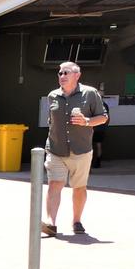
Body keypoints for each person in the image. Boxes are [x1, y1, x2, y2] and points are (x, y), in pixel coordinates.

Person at [41, 61, 107, 236]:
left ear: (77, 75)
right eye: (60, 73)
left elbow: (103, 117)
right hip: (56, 149)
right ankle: (51, 223)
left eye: (66, 73)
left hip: (81, 150)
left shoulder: (90, 93)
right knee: (55, 184)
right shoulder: (52, 96)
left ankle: (76, 221)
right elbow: (51, 121)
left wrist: (86, 122)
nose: (62, 76)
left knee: (79, 187)